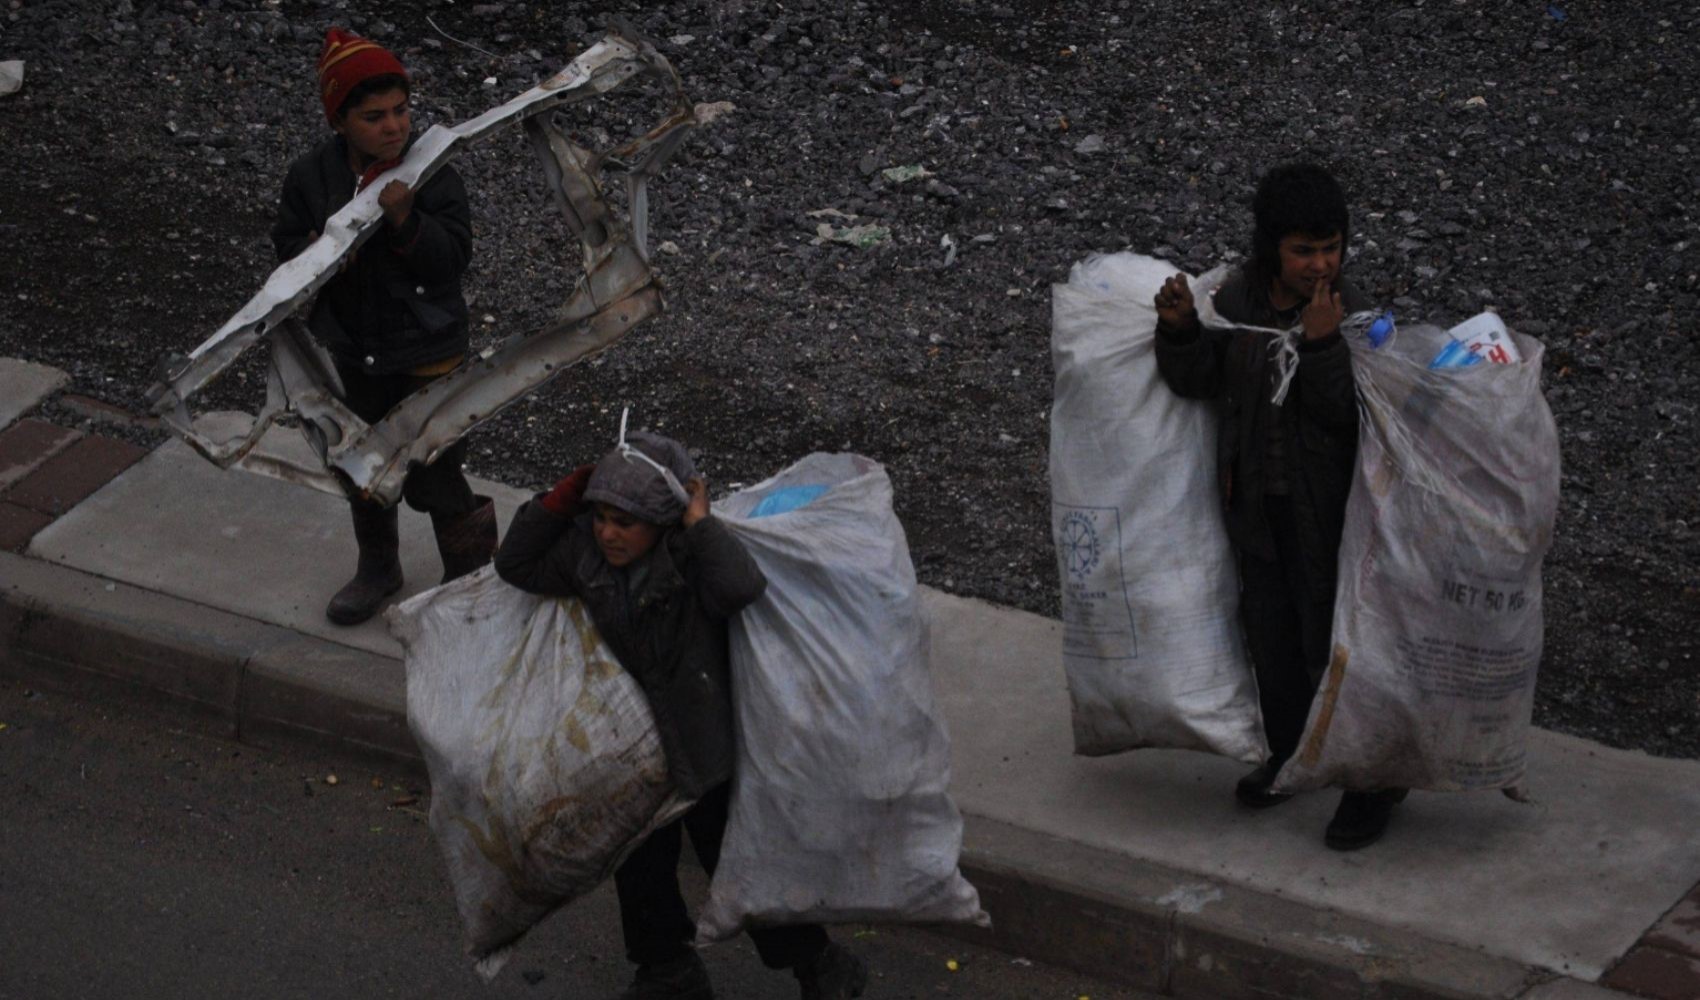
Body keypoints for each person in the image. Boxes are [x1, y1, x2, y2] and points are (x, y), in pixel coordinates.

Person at [494, 431, 868, 1000]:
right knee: (639, 866)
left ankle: (818, 962)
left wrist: (702, 525)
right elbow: (515, 563)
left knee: (735, 862)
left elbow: (741, 587)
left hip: (706, 743)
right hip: (636, 749)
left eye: (626, 522)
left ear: (664, 521)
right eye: (600, 517)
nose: (608, 533)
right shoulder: (584, 557)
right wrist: (557, 501)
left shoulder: (691, 562)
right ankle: (669, 971)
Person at [1152, 163, 1406, 851]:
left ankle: (1373, 784)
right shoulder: (1239, 300)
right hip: (1259, 509)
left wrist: (1324, 344)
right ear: (1270, 247)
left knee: (1341, 647)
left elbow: (1347, 418)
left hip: (1331, 519)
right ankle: (1293, 756)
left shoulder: (1353, 315)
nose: (1320, 264)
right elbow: (1206, 379)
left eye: (1331, 248)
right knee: (1275, 643)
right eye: (1303, 251)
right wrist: (1180, 332)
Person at [270, 28, 493, 626]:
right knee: (363, 464)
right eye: (373, 117)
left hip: (429, 350)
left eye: (401, 111)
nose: (393, 127)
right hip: (357, 349)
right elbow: (286, 246)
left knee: (434, 469)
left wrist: (407, 223)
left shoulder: (429, 172)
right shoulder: (312, 176)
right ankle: (379, 569)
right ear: (339, 120)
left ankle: (471, 580)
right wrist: (315, 251)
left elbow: (453, 257)